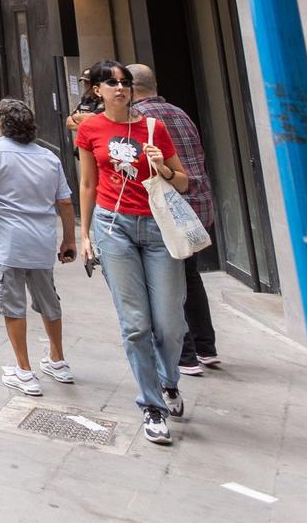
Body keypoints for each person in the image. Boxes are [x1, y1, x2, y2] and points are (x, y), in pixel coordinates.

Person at [76, 59, 195, 446]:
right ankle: (152, 406)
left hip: (158, 227)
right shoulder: (91, 129)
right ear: (97, 90)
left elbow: (185, 182)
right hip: (114, 228)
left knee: (169, 322)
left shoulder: (152, 128)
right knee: (135, 324)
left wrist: (161, 167)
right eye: (111, 83)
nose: (120, 88)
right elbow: (89, 184)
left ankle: (169, 381)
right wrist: (85, 234)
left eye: (124, 82)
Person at [0, 99, 76, 397]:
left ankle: (24, 371)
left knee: (13, 307)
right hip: (41, 243)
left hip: (7, 244)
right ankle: (58, 360)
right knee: (49, 302)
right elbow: (64, 202)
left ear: (1, 124)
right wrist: (69, 239)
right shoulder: (49, 158)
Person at [129, 63, 221, 378]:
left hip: (171, 211)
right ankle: (206, 347)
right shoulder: (180, 113)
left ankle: (186, 355)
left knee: (168, 281)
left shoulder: (144, 123)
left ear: (130, 89)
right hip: (200, 206)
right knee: (191, 277)